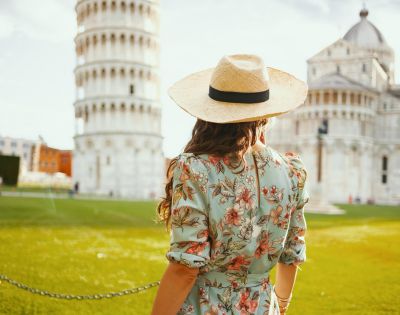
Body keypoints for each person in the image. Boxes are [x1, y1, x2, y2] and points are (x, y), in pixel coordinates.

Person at [151, 54, 310, 315]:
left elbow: (184, 268)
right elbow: (292, 255)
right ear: (264, 114)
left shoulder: (196, 168)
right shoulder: (292, 172)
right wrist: (279, 307)